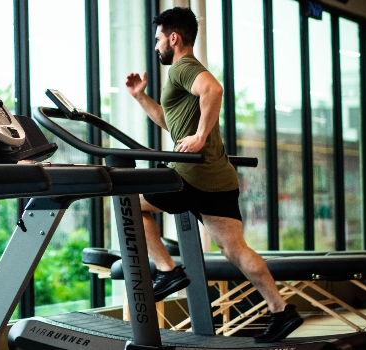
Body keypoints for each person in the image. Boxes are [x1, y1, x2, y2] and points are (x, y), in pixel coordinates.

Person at [124, 7, 303, 343]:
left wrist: (201, 137)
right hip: (218, 178)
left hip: (190, 174)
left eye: (159, 39)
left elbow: (214, 91)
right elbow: (170, 121)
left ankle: (168, 271)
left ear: (173, 38)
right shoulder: (182, 74)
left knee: (130, 202)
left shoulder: (184, 68)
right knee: (235, 249)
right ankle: (281, 310)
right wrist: (141, 97)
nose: (156, 46)